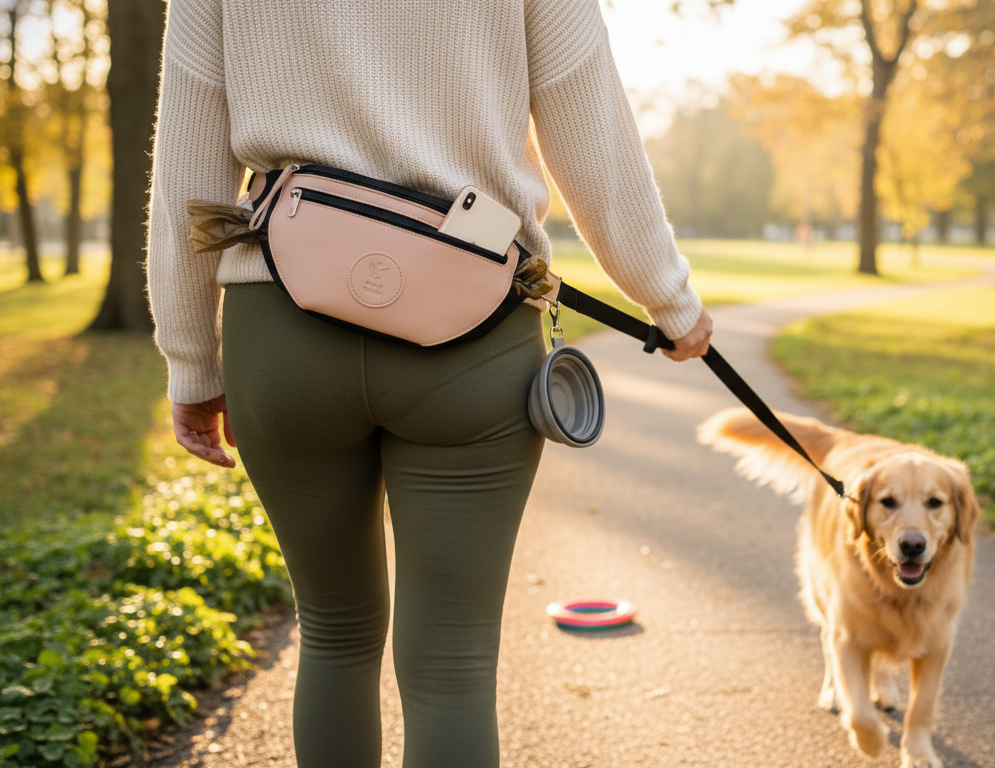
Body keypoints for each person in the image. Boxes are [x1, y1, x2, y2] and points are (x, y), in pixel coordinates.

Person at [146, 2, 713, 766]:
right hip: (471, 321)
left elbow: (188, 162)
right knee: (453, 666)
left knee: (334, 631)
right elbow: (590, 132)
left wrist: (192, 360)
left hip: (283, 327)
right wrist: (668, 299)